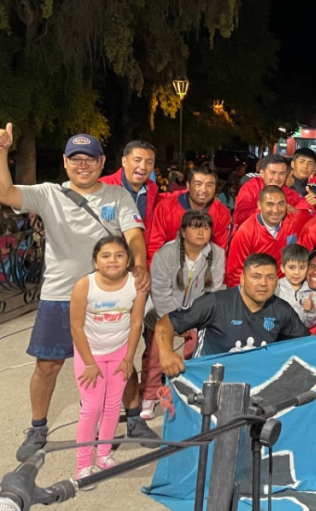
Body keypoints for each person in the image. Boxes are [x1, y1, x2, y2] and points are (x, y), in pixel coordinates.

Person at [0, 127, 155, 461]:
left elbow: (135, 234)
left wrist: (139, 264)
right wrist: (2, 153)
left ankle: (133, 418)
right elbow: (6, 192)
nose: (83, 165)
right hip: (60, 293)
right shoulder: (48, 193)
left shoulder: (118, 197)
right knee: (48, 364)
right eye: (76, 159)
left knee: (118, 360)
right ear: (65, 162)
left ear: (102, 162)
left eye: (90, 159)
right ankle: (38, 427)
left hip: (109, 293)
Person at [70, 237, 147, 480]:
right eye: (105, 255)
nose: (112, 260)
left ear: (128, 260)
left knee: (113, 405)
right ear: (95, 261)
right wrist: (90, 363)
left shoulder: (136, 284)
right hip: (90, 354)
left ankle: (103, 455)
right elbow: (76, 328)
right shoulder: (85, 285)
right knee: (91, 407)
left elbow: (136, 322)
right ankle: (83, 464)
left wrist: (128, 358)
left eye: (119, 255)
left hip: (118, 353)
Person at [156, 253, 311, 375]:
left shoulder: (282, 310)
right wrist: (166, 353)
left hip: (256, 384)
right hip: (208, 380)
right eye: (256, 277)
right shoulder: (215, 302)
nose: (263, 283)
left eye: (270, 278)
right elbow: (166, 323)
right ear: (242, 279)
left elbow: (306, 345)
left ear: (277, 280)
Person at [144, 211, 226, 418]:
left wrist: (192, 319)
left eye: (206, 227)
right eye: (195, 227)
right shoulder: (165, 253)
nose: (201, 232)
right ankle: (150, 394)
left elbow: (213, 291)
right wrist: (176, 322)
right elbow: (160, 291)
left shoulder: (216, 253)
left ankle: (187, 389)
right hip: (164, 313)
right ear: (182, 231)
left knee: (195, 348)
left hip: (196, 316)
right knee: (157, 351)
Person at [226, 186, 307, 288]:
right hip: (257, 290)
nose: (276, 210)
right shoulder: (245, 232)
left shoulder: (294, 222)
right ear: (259, 205)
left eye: (281, 204)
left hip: (287, 289)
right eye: (270, 204)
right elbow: (235, 274)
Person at [146, 164, 231, 260]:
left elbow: (219, 252)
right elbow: (154, 248)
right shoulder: (165, 207)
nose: (203, 190)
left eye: (209, 185)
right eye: (198, 184)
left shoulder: (222, 212)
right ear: (188, 186)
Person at [98, 140, 159, 240]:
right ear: (124, 161)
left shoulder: (152, 190)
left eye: (149, 162)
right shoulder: (102, 186)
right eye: (137, 160)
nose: (143, 167)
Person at [232, 154, 314, 226]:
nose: (277, 178)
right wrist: (277, 210)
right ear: (262, 173)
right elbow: (239, 218)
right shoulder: (251, 188)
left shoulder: (286, 190)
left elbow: (307, 209)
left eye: (281, 174)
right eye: (272, 172)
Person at [274, 244, 316, 327]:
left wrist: (311, 310)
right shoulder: (276, 288)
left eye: (302, 267)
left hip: (302, 336)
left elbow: (310, 324)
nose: (297, 273)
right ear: (282, 268)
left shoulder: (311, 290)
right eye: (292, 267)